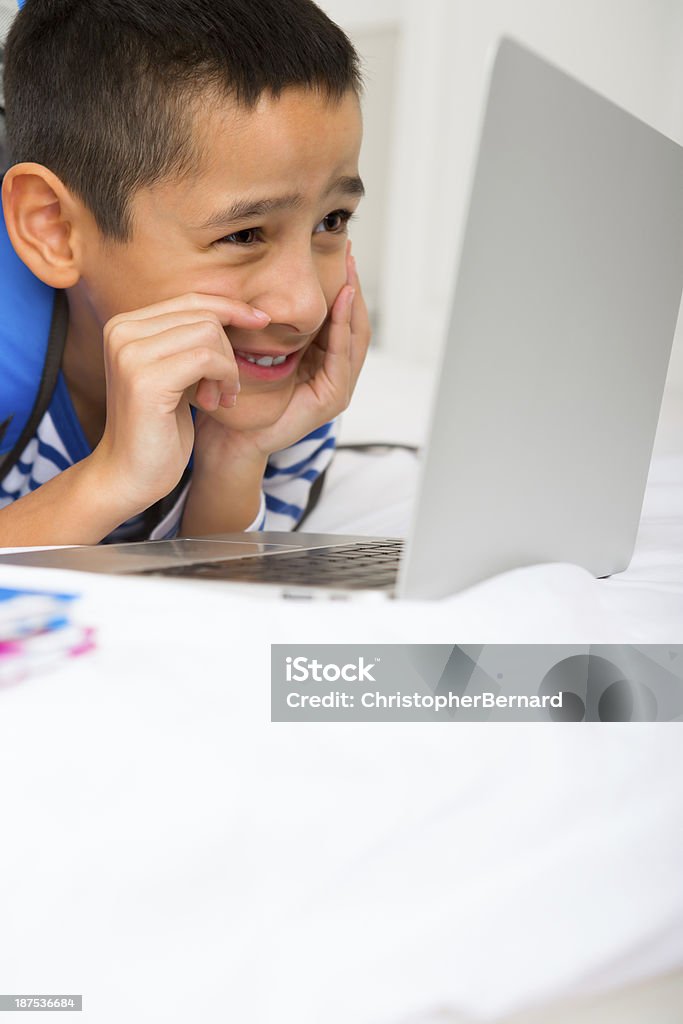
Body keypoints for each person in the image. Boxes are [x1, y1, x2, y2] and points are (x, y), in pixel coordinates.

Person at [0, 0, 370, 546]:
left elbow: (216, 612)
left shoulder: (282, 376)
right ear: (54, 230)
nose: (306, 306)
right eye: (242, 235)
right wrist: (109, 481)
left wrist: (236, 460)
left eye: (330, 221)